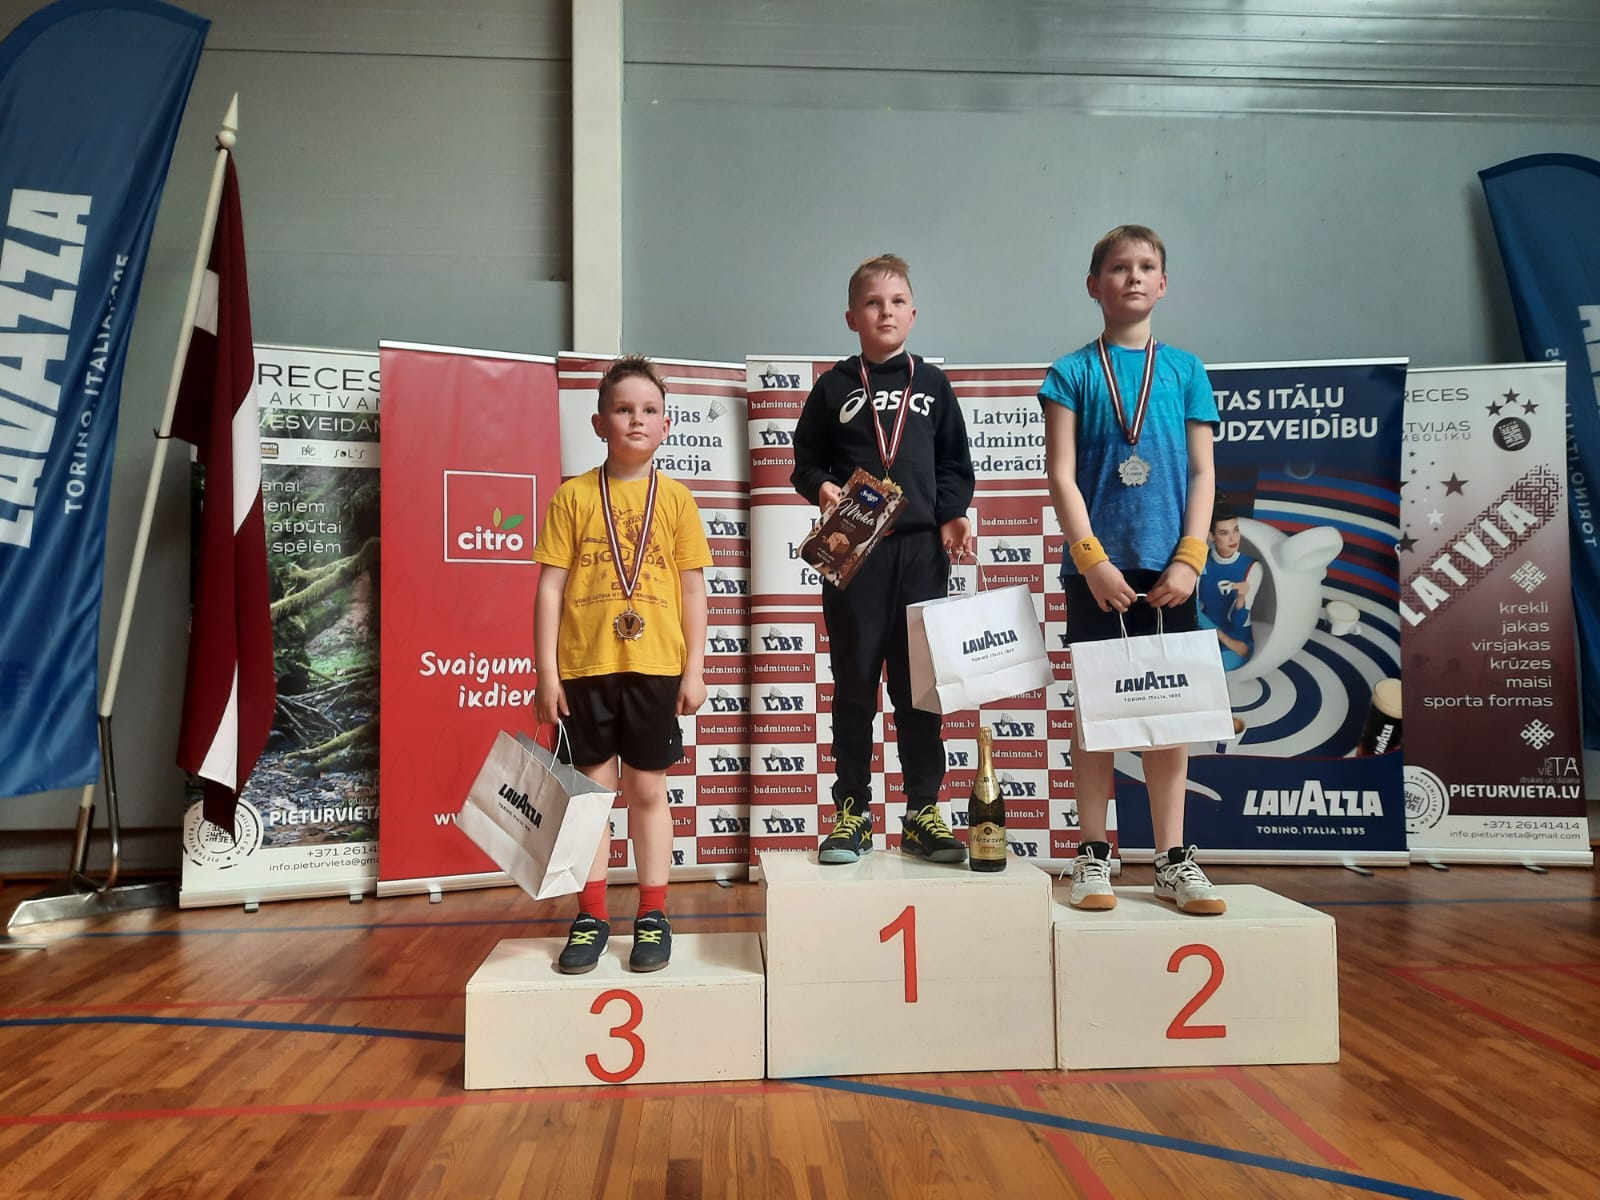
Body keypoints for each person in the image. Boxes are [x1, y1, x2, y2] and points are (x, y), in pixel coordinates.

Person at [1039, 224, 1226, 916]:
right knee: (1098, 713)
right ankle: (1093, 853)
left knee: (1169, 712)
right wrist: (1091, 561)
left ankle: (1172, 859)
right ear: (1095, 285)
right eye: (1119, 267)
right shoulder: (1071, 373)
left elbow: (1204, 472)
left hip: (1172, 570)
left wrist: (1192, 556)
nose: (1134, 277)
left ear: (1164, 283)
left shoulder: (1186, 371)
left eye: (1147, 266)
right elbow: (1061, 475)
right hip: (1099, 574)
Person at [791, 253, 976, 866]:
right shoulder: (834, 386)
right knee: (855, 684)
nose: (885, 312)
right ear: (852, 317)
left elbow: (954, 461)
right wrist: (822, 487)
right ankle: (851, 813)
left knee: (919, 687)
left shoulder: (933, 384)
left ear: (913, 314)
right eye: (873, 303)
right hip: (856, 554)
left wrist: (952, 512)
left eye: (896, 302)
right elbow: (805, 461)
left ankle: (923, 810)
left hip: (921, 553)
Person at [533, 355, 712, 972]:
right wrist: (547, 673)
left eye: (649, 410)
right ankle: (590, 916)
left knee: (647, 789)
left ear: (666, 425)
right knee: (590, 796)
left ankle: (653, 913)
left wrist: (694, 668)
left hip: (656, 666)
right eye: (623, 409)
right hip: (585, 668)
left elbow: (693, 590)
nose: (637, 419)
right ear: (598, 422)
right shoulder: (574, 496)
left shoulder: (678, 500)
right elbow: (550, 589)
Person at [1197, 494, 1257, 670]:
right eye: (1224, 533)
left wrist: (1241, 598)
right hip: (1205, 631)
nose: (1233, 539)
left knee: (1215, 665)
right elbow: (1193, 610)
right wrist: (1226, 640)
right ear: (1211, 536)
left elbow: (1238, 622)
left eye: (1235, 530)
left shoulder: (1253, 568)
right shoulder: (1200, 562)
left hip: (1237, 637)